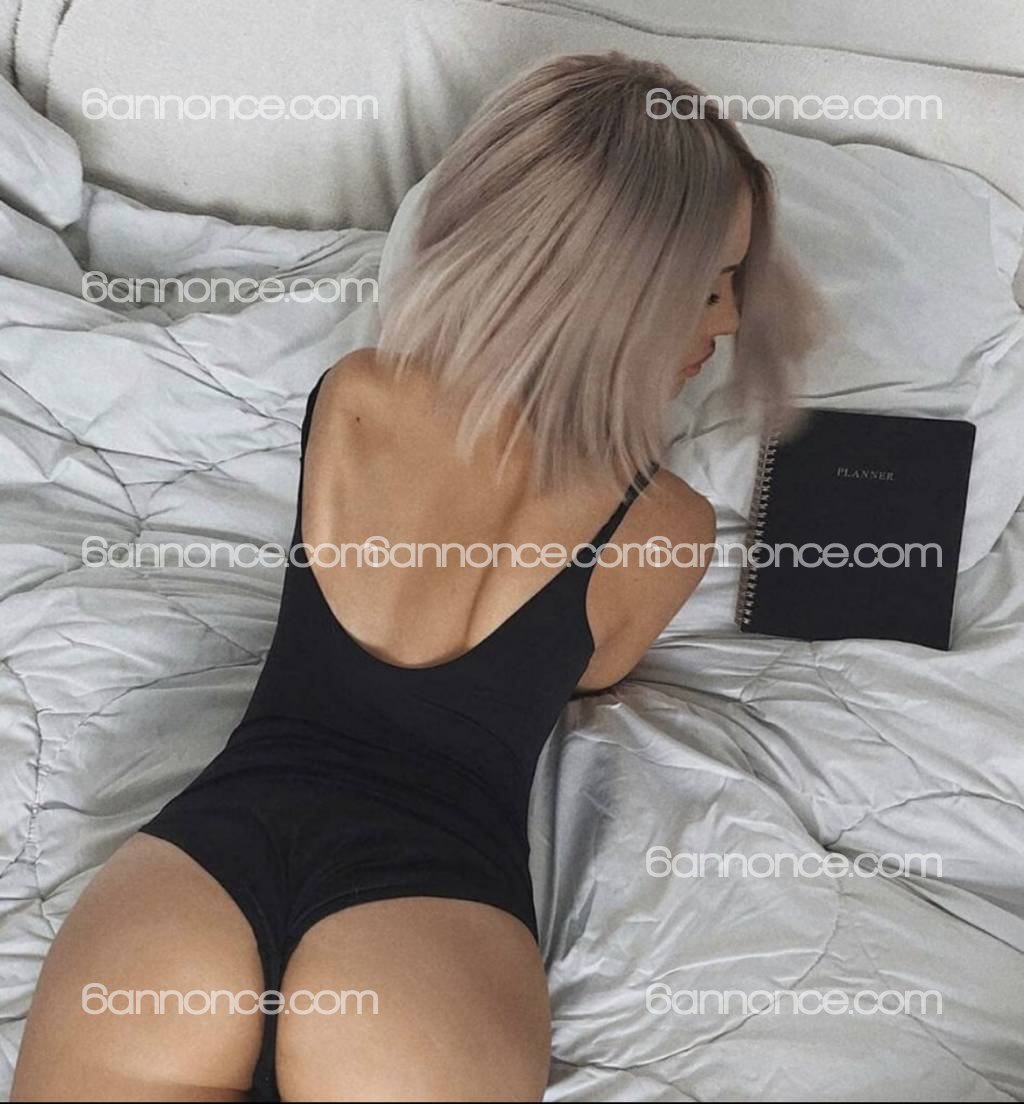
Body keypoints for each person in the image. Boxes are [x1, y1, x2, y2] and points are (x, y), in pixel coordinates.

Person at [12, 50, 819, 1102]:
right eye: (709, 286)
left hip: (187, 890)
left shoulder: (355, 394)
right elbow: (594, 671)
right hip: (423, 937)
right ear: (618, 299)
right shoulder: (666, 527)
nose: (729, 321)